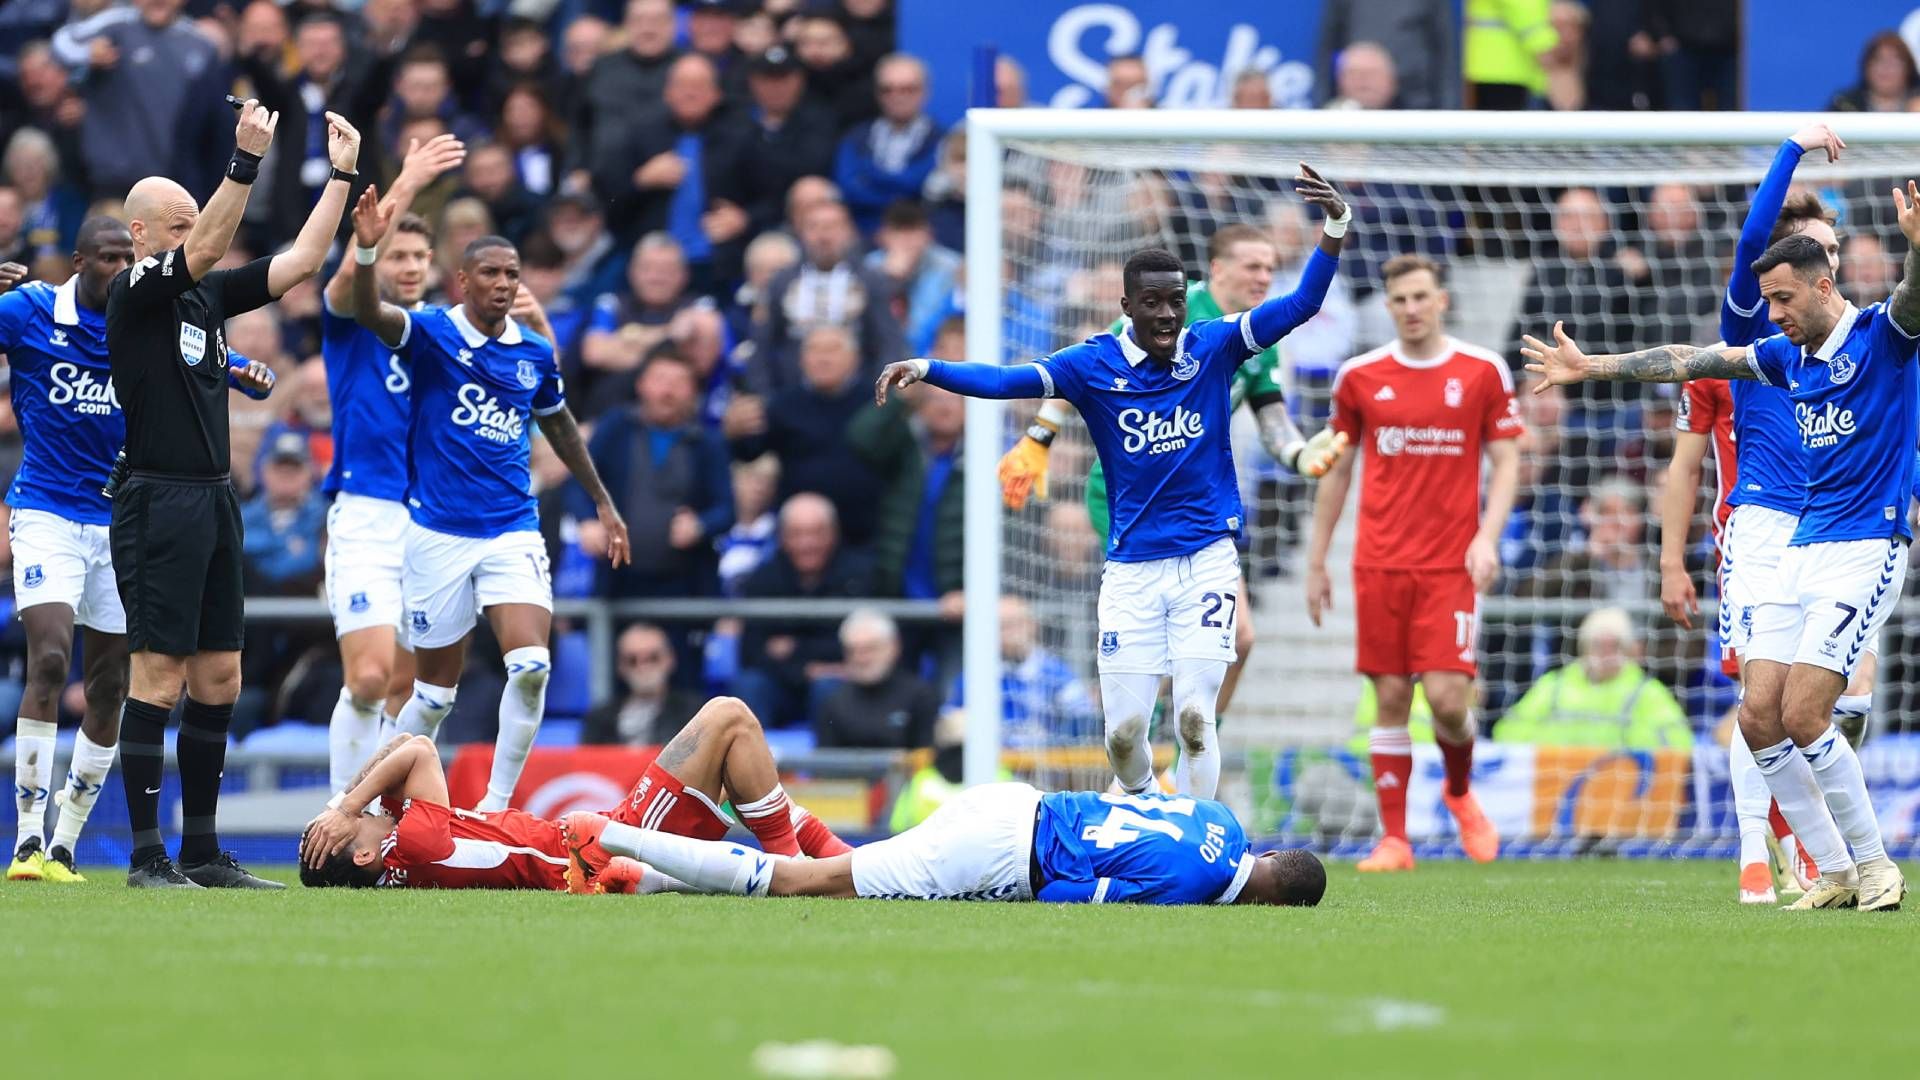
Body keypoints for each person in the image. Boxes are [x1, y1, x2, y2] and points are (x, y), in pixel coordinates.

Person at [876, 166, 1351, 803]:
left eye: (1174, 303)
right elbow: (1002, 380)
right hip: (1131, 569)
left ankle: (1196, 836)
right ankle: (1142, 804)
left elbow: (1302, 306)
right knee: (1124, 735)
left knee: (1193, 718)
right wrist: (927, 367)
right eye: (1151, 303)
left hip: (1207, 557)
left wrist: (1335, 229)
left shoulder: (1213, 344)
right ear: (1127, 306)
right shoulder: (1091, 362)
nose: (1165, 315)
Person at [1521, 211, 1920, 913]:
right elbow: (1691, 359)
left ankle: (1877, 865)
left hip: (1865, 546)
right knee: (1758, 716)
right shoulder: (1782, 358)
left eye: (1784, 299)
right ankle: (1830, 869)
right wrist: (1591, 367)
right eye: (1768, 300)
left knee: (1804, 712)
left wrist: (1917, 246)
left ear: (1825, 286)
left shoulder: (1882, 337)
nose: (1773, 313)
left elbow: (1915, 300)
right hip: (1800, 548)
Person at [106, 102, 359, 890]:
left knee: (221, 678)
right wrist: (243, 162)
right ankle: (148, 856)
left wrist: (343, 176)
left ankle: (203, 853)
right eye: (178, 225)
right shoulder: (136, 291)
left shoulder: (207, 298)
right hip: (157, 499)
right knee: (158, 675)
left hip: (216, 499)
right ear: (143, 235)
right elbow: (213, 239)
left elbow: (303, 262)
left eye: (195, 221)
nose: (195, 234)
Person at [995, 223, 1349, 738]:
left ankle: (1183, 744)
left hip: (1193, 501)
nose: (1264, 277)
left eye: (1271, 268)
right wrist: (1038, 437)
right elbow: (1088, 366)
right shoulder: (1173, 313)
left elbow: (1272, 419)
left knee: (1240, 641)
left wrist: (1300, 454)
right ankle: (1143, 744)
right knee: (1190, 639)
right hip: (1127, 496)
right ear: (1219, 269)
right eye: (1253, 266)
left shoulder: (1254, 334)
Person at [347, 188, 631, 815]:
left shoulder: (532, 352)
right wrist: (367, 250)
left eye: (512, 274)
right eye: (491, 273)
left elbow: (558, 424)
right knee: (433, 695)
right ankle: (366, 803)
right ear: (463, 280)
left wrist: (603, 503)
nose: (503, 283)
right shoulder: (430, 333)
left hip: (512, 528)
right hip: (438, 533)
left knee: (530, 666)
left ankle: (496, 810)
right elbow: (369, 313)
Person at [1657, 123, 1866, 905]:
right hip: (1761, 528)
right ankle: (1758, 850)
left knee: (1831, 701)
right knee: (1760, 700)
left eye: (1832, 252)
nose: (1826, 263)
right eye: (1814, 249)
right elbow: (1753, 239)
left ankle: (1822, 852)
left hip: (1842, 529)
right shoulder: (1749, 330)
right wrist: (1790, 149)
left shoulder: (1855, 338)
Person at [1306, 254, 1521, 873]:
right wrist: (1317, 560)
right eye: (1399, 300)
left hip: (1451, 564)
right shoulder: (1359, 377)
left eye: (1421, 296)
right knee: (1392, 696)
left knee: (1450, 699)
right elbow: (1337, 470)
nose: (1411, 309)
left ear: (1442, 300)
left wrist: (1488, 537)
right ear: (1388, 306)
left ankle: (1458, 793)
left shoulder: (1481, 370)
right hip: (1379, 563)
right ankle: (1395, 839)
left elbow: (1506, 460)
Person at [299, 697, 854, 890]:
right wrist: (344, 806)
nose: (363, 812)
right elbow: (418, 752)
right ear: (366, 854)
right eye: (348, 831)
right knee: (728, 719)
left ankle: (840, 863)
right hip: (605, 847)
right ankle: (795, 870)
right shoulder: (415, 846)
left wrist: (341, 809)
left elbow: (404, 741)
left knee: (733, 773)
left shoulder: (402, 846)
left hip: (595, 842)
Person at [316, 133, 467, 796]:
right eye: (394, 253)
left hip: (431, 522)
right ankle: (336, 814)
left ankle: (373, 821)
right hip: (368, 515)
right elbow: (352, 276)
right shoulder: (353, 321)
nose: (406, 266)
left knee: (409, 687)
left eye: (416, 255)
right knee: (369, 678)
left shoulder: (441, 332)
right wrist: (403, 182)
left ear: (433, 265)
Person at [0, 218, 142, 883]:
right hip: (46, 513)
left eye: (128, 258)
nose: (119, 267)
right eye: (108, 258)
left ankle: (66, 843)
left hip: (119, 524)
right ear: (80, 261)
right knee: (52, 657)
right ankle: (27, 840)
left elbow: (199, 359)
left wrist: (240, 370)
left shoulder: (143, 319)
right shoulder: (30, 311)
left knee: (111, 682)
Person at [561, 785, 1325, 907]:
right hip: (1000, 856)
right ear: (1275, 903)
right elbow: (1070, 894)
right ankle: (610, 833)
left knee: (839, 879)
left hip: (1012, 802)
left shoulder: (1221, 820)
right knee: (802, 883)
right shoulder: (1196, 889)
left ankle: (648, 881)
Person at [1493, 607, 1692, 751]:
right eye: (1597, 644)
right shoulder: (1553, 685)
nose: (1604, 654)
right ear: (1584, 647)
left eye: (1613, 646)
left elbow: (1679, 743)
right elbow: (1506, 733)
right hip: (1554, 785)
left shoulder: (1647, 692)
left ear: (1627, 651)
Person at [814, 609, 938, 750]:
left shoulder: (920, 696)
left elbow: (928, 756)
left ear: (894, 646)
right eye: (852, 650)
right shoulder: (833, 701)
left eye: (870, 649)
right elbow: (825, 765)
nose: (861, 658)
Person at [580, 623, 705, 747]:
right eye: (632, 660)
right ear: (620, 666)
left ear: (670, 660)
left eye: (653, 658)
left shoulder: (695, 713)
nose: (643, 667)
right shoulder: (599, 719)